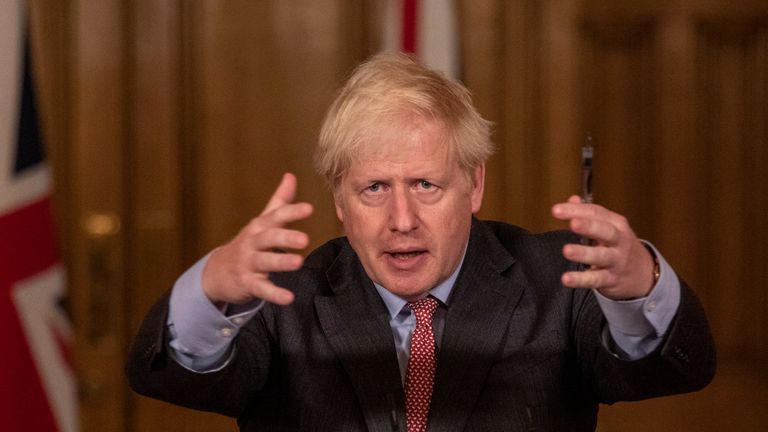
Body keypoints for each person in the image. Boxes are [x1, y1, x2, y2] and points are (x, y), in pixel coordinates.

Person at [127, 52, 715, 431]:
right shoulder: (282, 297)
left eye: (427, 185)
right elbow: (169, 376)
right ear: (339, 201)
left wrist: (642, 284)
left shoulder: (561, 280)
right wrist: (209, 290)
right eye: (374, 187)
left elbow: (673, 371)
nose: (401, 219)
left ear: (474, 184)